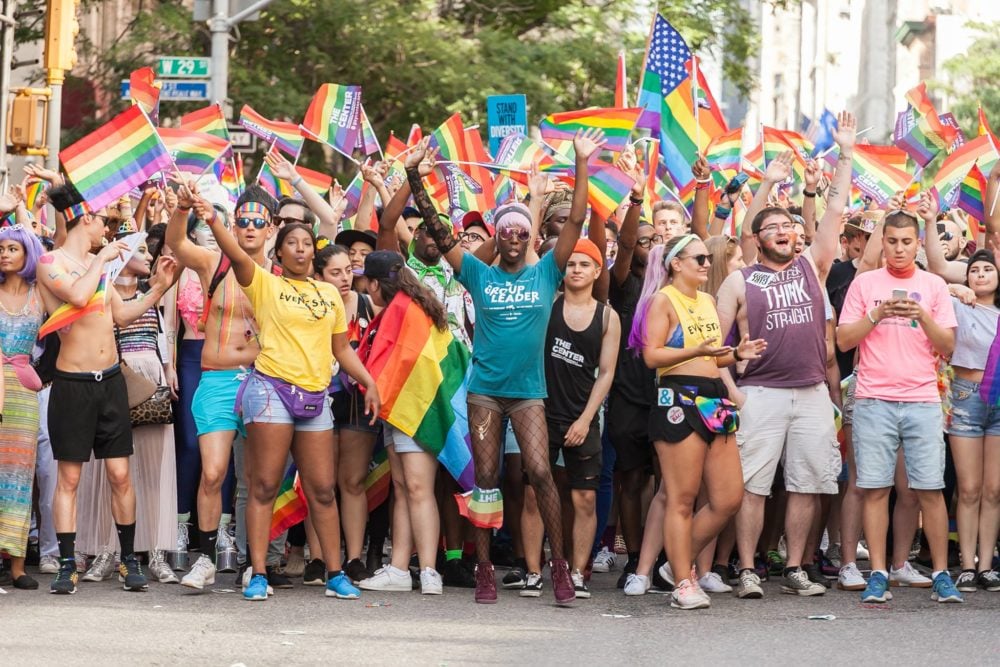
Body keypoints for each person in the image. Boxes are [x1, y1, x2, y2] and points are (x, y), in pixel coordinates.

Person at [402, 129, 605, 605]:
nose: (513, 239)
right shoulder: (477, 271)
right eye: (505, 231)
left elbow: (577, 216)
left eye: (521, 232)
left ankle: (558, 567)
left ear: (530, 236)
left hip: (529, 391)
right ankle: (486, 567)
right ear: (496, 236)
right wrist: (413, 174)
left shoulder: (547, 271)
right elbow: (439, 227)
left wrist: (581, 163)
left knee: (539, 471)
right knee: (487, 479)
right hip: (485, 391)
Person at [200, 183, 381, 602]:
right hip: (270, 393)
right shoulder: (264, 284)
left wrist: (368, 380)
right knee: (263, 486)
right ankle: (259, 573)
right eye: (292, 244)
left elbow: (340, 350)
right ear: (278, 252)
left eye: (306, 244)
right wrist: (212, 219)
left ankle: (335, 573)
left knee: (322, 489)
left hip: (315, 398)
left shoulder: (328, 295)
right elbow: (236, 253)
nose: (300, 249)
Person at [716, 111, 856, 599]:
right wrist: (735, 393)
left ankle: (795, 566)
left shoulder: (812, 267)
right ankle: (750, 568)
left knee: (808, 484)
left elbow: (836, 210)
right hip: (759, 395)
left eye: (787, 225)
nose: (781, 230)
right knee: (753, 487)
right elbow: (715, 347)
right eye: (771, 225)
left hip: (812, 393)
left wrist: (845, 153)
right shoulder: (740, 280)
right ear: (758, 238)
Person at [39, 184, 177, 594]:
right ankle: (67, 564)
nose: (108, 228)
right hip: (72, 385)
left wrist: (158, 288)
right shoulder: (53, 262)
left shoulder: (100, 268)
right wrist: (101, 258)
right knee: (70, 478)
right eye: (104, 221)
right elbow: (79, 296)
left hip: (110, 381)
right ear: (85, 219)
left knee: (120, 474)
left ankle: (129, 560)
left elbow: (120, 314)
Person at [837, 194, 963, 604]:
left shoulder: (934, 286)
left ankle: (942, 573)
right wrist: (877, 315)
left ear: (917, 243)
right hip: (874, 399)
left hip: (923, 400)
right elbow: (842, 340)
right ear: (883, 240)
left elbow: (948, 347)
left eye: (907, 242)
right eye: (891, 241)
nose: (899, 249)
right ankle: (877, 572)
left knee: (930, 489)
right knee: (874, 488)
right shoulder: (863, 284)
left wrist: (921, 315)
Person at [630, 235, 765, 609]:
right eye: (699, 258)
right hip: (678, 397)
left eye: (708, 258)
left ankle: (676, 565)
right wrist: (700, 351)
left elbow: (710, 358)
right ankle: (683, 583)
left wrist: (735, 353)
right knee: (682, 498)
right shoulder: (664, 300)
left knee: (729, 497)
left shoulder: (706, 300)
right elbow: (652, 356)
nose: (707, 264)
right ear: (676, 264)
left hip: (714, 398)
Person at [164, 185, 278, 590]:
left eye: (257, 221)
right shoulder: (216, 263)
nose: (248, 227)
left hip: (263, 381)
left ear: (271, 228)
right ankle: (207, 558)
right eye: (242, 220)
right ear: (232, 224)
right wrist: (181, 207)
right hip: (216, 380)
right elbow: (176, 243)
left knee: (257, 481)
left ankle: (255, 563)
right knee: (212, 473)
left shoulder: (279, 277)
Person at [77, 222, 178, 584]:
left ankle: (156, 554)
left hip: (150, 379)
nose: (148, 257)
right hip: (113, 377)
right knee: (110, 472)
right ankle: (107, 552)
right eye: (140, 251)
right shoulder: (100, 290)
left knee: (154, 471)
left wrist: (169, 369)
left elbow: (164, 334)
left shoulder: (158, 291)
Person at [355, 250, 453, 595]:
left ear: (376, 282)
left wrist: (377, 388)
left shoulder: (402, 309)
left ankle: (427, 569)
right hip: (400, 409)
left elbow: (408, 363)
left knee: (417, 488)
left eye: (366, 283)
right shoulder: (407, 306)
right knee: (403, 488)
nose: (365, 290)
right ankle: (399, 568)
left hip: (413, 410)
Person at [542, 239, 621, 598]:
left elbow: (606, 373)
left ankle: (577, 570)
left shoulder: (608, 316)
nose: (576, 270)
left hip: (584, 417)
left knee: (584, 498)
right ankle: (538, 567)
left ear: (597, 271)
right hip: (542, 413)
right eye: (570, 264)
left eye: (584, 264)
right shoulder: (547, 307)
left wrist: (586, 419)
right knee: (536, 494)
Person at [312, 241, 380, 585]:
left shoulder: (368, 303)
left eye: (348, 271)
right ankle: (319, 557)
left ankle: (353, 557)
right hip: (315, 397)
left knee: (352, 481)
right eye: (334, 272)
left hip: (357, 401)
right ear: (318, 274)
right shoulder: (309, 303)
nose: (344, 278)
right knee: (318, 483)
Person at [0, 223, 45, 590]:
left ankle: (16, 563)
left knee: (20, 474)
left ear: (28, 252)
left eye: (13, 248)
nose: (5, 254)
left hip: (24, 391)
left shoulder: (39, 294)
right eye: (1, 248)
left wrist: (39, 375)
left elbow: (63, 335)